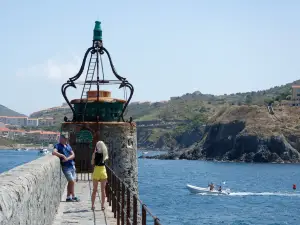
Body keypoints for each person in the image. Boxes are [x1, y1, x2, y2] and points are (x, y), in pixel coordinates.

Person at [52, 134, 80, 202]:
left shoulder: (68, 146)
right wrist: (62, 155)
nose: (61, 139)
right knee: (72, 181)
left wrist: (67, 158)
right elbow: (54, 152)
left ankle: (68, 197)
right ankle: (73, 196)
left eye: (64, 138)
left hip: (71, 166)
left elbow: (73, 155)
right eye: (62, 138)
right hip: (66, 167)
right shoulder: (58, 146)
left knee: (71, 182)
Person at [91, 141, 109, 211]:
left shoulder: (95, 154)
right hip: (103, 171)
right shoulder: (105, 154)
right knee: (103, 190)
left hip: (96, 171)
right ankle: (102, 205)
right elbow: (105, 159)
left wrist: (93, 157)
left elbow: (92, 163)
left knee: (94, 190)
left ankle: (92, 205)